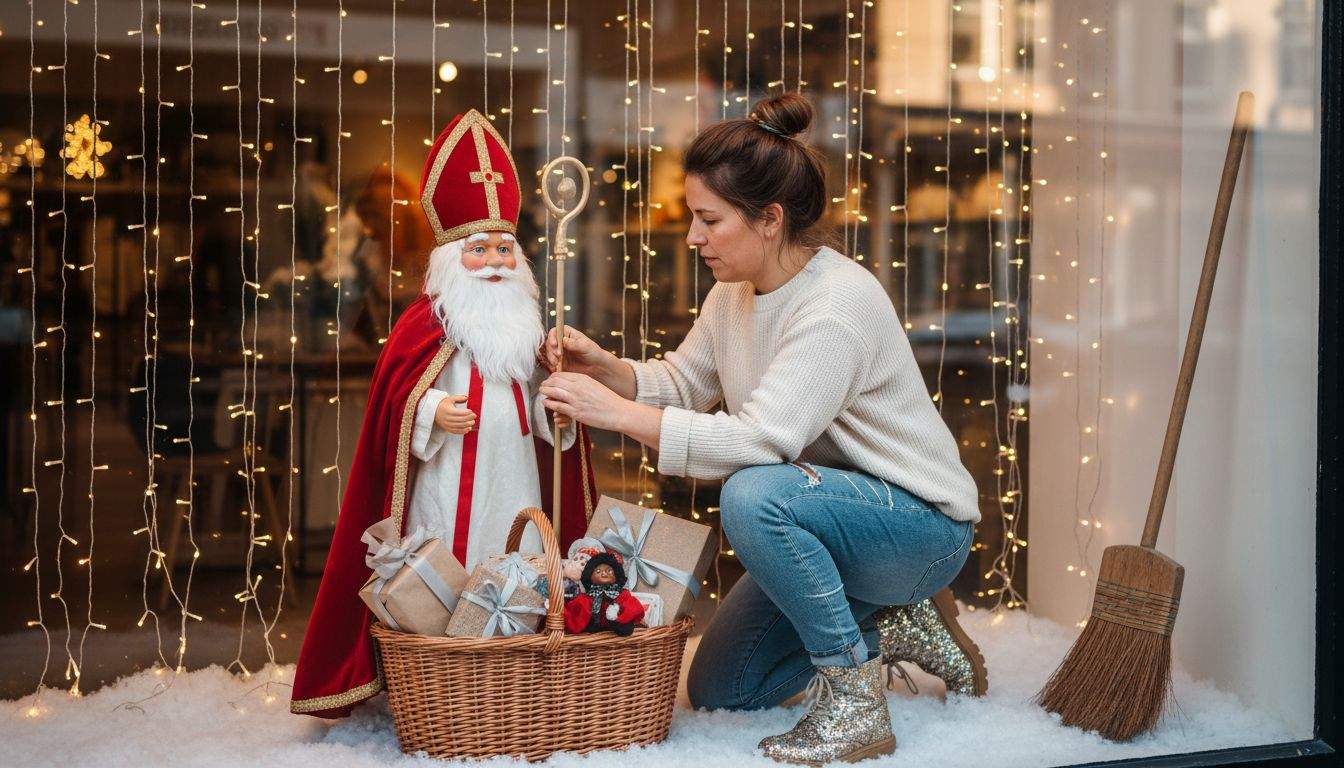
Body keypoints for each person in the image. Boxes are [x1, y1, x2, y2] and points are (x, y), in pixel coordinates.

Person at [539, 92, 984, 763]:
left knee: (752, 493)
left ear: (769, 219)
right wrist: (608, 372)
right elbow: (685, 383)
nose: (693, 237)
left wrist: (620, 417)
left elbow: (759, 442)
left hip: (916, 527)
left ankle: (857, 701)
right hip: (828, 516)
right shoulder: (734, 293)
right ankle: (890, 623)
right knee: (724, 691)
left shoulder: (835, 305)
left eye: (709, 220)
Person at [290, 109, 597, 718]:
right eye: (478, 249)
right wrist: (432, 411)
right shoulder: (423, 325)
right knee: (451, 567)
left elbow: (545, 403)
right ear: (451, 258)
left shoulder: (527, 329)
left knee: (520, 561)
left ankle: (515, 675)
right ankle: (445, 680)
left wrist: (556, 414)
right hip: (447, 473)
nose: (493, 262)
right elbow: (395, 405)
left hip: (516, 476)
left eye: (504, 249)